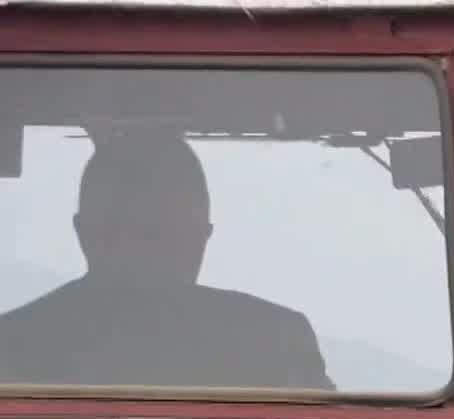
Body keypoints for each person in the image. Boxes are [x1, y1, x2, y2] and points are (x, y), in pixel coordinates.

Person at [0, 133, 333, 391]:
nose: (142, 247)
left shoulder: (14, 340)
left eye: (158, 231)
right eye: (132, 228)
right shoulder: (274, 337)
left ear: (83, 232)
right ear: (203, 236)